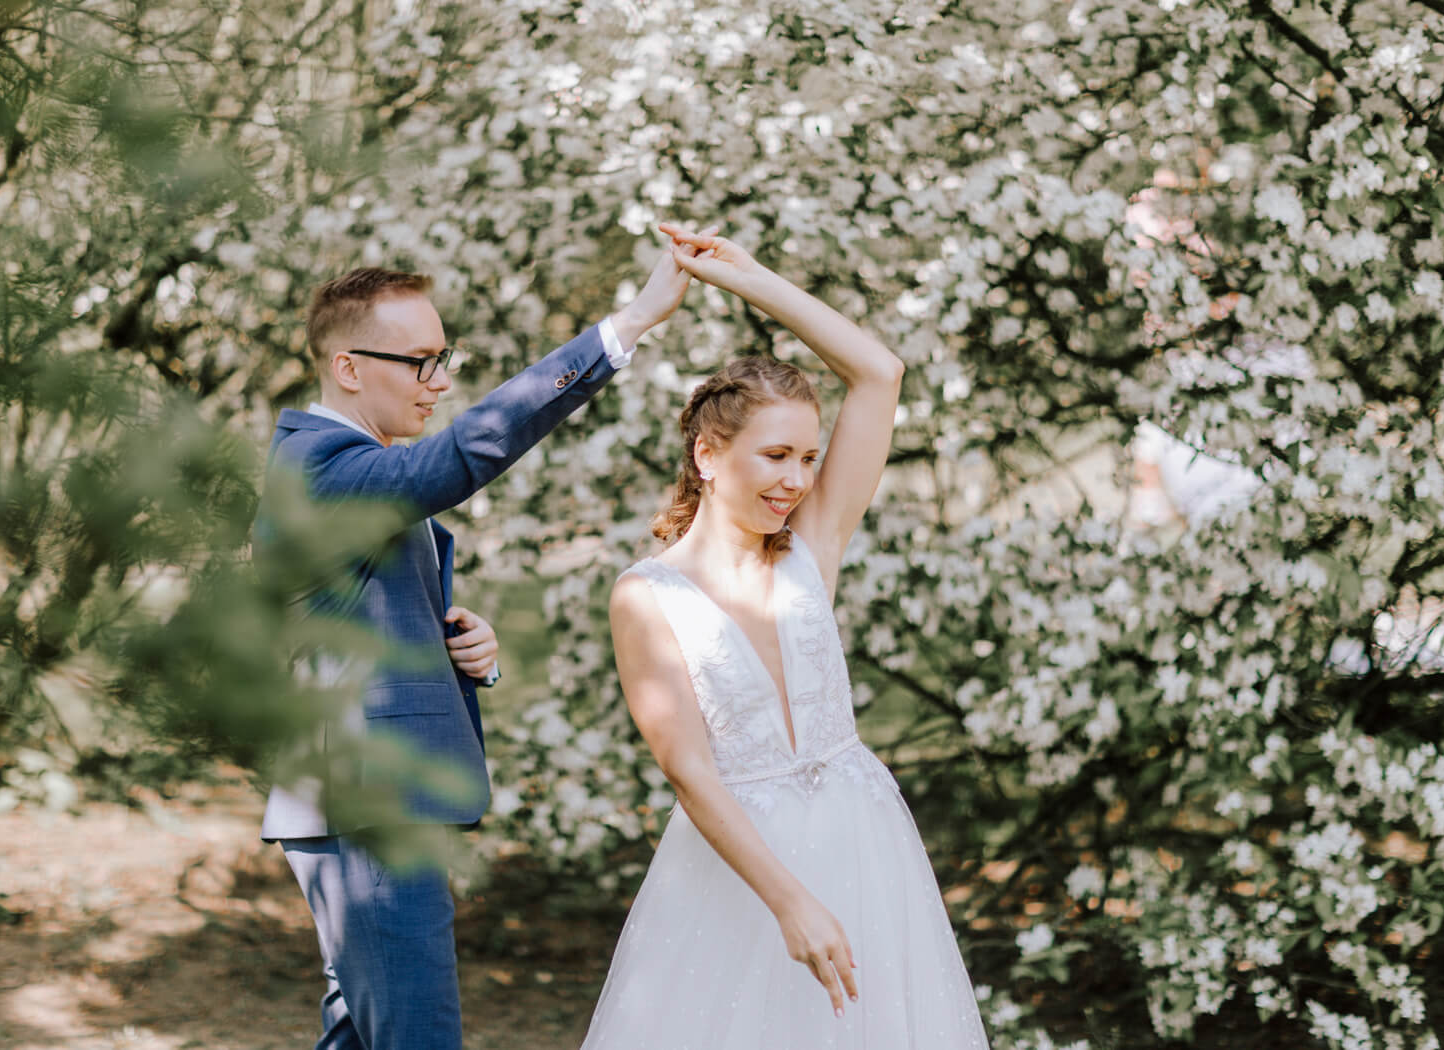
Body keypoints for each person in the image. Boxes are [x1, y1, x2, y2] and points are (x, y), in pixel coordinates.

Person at [256, 243, 698, 1050]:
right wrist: (627, 326)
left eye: (444, 358)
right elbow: (468, 451)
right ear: (349, 368)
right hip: (370, 803)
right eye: (422, 362)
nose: (441, 381)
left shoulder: (347, 466)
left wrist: (466, 647)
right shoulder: (319, 469)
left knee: (362, 1037)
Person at [579, 225, 990, 1048]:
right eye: (774, 456)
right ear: (706, 455)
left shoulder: (812, 547)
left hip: (867, 845)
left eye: (807, 457)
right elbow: (688, 770)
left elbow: (879, 372)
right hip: (741, 874)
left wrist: (748, 277)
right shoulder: (646, 594)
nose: (797, 480)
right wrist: (789, 900)